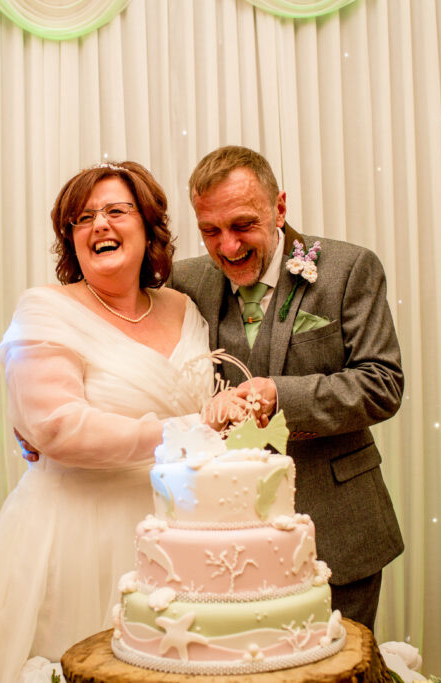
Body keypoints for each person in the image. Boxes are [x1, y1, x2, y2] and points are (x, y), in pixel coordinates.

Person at [0, 161, 223, 682]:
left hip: (176, 530)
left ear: (148, 226)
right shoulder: (45, 309)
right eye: (83, 218)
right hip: (76, 533)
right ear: (69, 239)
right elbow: (56, 427)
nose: (100, 225)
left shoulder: (185, 306)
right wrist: (184, 434)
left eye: (117, 211)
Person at [168, 145, 404, 631]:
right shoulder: (184, 280)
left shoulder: (348, 269)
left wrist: (281, 395)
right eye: (210, 231)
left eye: (242, 226)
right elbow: (121, 323)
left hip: (338, 524)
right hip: (226, 536)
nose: (227, 247)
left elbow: (382, 384)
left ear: (279, 207)